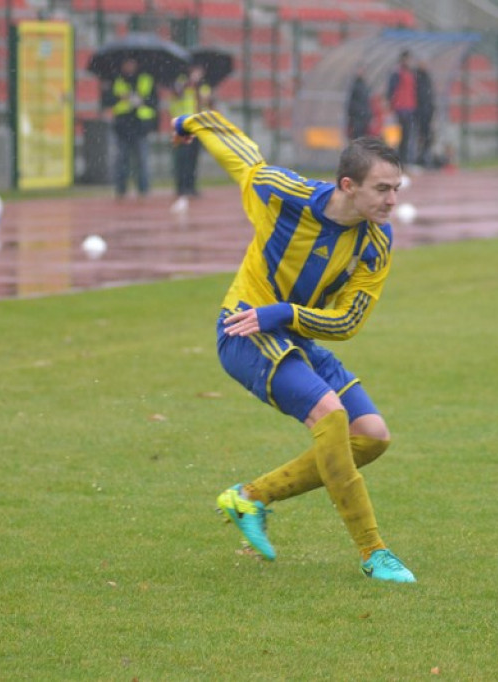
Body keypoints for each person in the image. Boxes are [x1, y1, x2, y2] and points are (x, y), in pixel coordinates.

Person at [171, 109, 416, 583]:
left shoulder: (376, 243)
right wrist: (192, 122)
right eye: (382, 190)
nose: (392, 201)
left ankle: (250, 496)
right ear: (348, 185)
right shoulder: (285, 195)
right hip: (245, 329)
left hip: (291, 332)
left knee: (372, 435)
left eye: (397, 190)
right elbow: (246, 160)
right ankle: (374, 552)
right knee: (331, 415)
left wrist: (285, 314)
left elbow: (349, 321)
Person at [103, 57, 158, 200]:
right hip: (122, 126)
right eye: (126, 64)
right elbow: (107, 100)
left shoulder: (146, 79)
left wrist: (141, 101)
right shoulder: (117, 80)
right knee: (122, 160)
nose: (129, 66)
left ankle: (143, 189)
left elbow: (154, 102)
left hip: (140, 127)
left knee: (142, 160)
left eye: (132, 63)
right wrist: (122, 98)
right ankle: (121, 189)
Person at [169, 63, 213, 213]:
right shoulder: (182, 83)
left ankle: (191, 186)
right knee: (182, 157)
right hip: (183, 126)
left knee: (193, 158)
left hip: (197, 128)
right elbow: (176, 95)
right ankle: (181, 187)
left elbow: (207, 103)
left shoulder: (203, 87)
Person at [386, 49, 418, 165]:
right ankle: (397, 160)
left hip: (410, 108)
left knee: (407, 135)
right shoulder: (397, 73)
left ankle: (404, 161)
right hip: (400, 108)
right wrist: (392, 105)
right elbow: (391, 91)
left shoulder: (412, 73)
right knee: (398, 136)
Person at [414, 61, 435, 166]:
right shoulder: (416, 77)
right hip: (418, 113)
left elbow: (430, 96)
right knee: (418, 136)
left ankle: (426, 157)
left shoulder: (427, 77)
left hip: (427, 112)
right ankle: (418, 158)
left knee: (427, 136)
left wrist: (431, 110)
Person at [346, 67, 373, 141]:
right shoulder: (356, 86)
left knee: (360, 137)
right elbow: (352, 102)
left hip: (362, 115)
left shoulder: (363, 85)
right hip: (358, 116)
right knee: (358, 136)